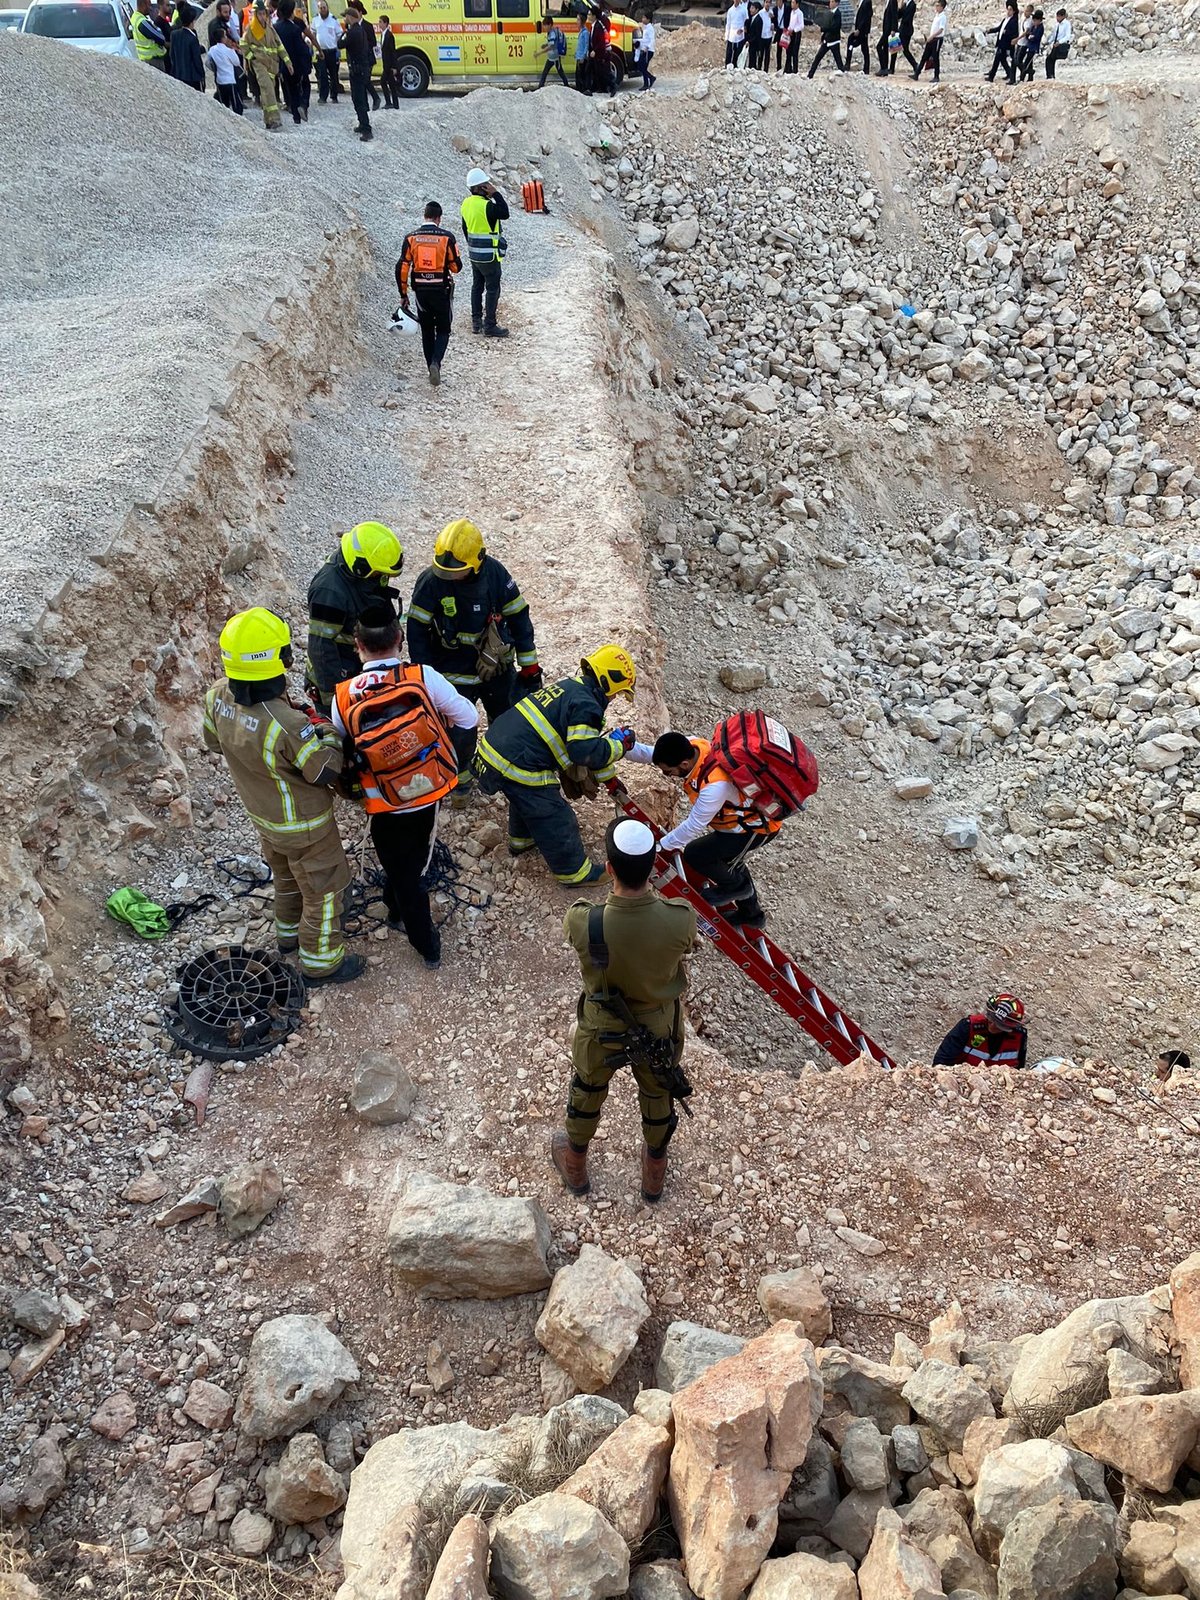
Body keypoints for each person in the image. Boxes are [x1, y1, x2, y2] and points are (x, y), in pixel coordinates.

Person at [203, 610, 363, 986]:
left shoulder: (215, 697)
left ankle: (288, 937)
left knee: (288, 878)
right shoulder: (287, 724)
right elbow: (324, 769)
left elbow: (214, 742)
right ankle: (321, 962)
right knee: (324, 891)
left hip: (264, 819)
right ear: (278, 661)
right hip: (305, 825)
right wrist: (322, 729)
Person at [553, 818, 698, 1202]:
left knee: (587, 1090)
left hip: (602, 1023)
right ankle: (653, 1178)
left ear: (610, 867)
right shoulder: (679, 918)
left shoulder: (584, 920)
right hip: (656, 1024)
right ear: (652, 867)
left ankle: (576, 1168)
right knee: (657, 1094)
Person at [332, 607, 478, 971]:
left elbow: (340, 745)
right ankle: (422, 937)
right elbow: (470, 718)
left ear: (357, 646)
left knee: (399, 866)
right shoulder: (422, 676)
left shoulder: (344, 695)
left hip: (382, 801)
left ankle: (415, 930)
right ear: (400, 640)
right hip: (426, 790)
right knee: (411, 865)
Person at [473, 645, 638, 886]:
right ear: (608, 681)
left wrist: (609, 778)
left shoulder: (572, 688)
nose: (614, 699)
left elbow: (586, 746)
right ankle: (574, 873)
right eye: (617, 693)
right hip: (517, 760)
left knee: (526, 798)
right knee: (555, 814)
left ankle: (522, 840)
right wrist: (619, 748)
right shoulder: (588, 705)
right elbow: (584, 752)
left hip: (497, 749)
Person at [406, 519, 540, 792]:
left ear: (477, 561)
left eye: (457, 571)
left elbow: (519, 621)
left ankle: (501, 777)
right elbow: (417, 632)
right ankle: (460, 783)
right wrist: (424, 677)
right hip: (451, 675)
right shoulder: (431, 582)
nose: (450, 576)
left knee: (505, 724)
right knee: (458, 733)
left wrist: (529, 667)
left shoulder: (496, 576)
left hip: (497, 673)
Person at [629, 731, 779, 928]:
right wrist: (622, 749)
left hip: (755, 830)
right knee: (730, 863)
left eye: (668, 772)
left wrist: (659, 847)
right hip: (737, 825)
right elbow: (652, 754)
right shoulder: (693, 746)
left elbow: (694, 825)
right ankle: (752, 916)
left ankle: (737, 887)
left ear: (683, 765)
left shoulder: (714, 786)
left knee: (696, 853)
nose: (667, 775)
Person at [306, 523, 405, 710]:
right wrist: (335, 700)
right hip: (336, 676)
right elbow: (321, 648)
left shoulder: (363, 575)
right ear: (360, 566)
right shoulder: (329, 591)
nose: (382, 578)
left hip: (359, 671)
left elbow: (379, 600)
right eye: (379, 574)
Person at [396, 201, 463, 386]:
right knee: (443, 329)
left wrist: (403, 294)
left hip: (421, 293)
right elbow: (456, 267)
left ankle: (429, 368)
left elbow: (402, 266)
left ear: (424, 216)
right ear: (439, 218)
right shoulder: (447, 237)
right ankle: (436, 363)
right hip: (441, 291)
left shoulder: (411, 238)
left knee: (427, 330)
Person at [461, 168, 510, 339]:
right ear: (480, 187)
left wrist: (474, 245)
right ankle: (490, 325)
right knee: (492, 289)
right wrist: (496, 194)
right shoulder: (488, 206)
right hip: (490, 256)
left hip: (474, 254)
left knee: (477, 287)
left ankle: (476, 322)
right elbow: (505, 213)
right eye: (486, 185)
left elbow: (465, 229)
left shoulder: (465, 204)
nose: (489, 186)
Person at [933, 994, 1028, 1070]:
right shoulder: (968, 1027)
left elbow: (1018, 1070)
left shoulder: (1019, 1036)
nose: (992, 1026)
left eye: (1000, 1025)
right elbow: (941, 1063)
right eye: (991, 1019)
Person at [242, 0, 288, 130]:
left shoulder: (270, 29)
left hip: (271, 65)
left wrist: (287, 62)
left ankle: (268, 120)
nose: (262, 17)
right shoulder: (251, 29)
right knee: (268, 90)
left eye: (264, 14)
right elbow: (243, 45)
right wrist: (253, 59)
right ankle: (275, 119)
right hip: (259, 64)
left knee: (268, 92)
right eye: (260, 14)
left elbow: (279, 45)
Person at [275, 0, 313, 122]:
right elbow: (301, 49)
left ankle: (296, 117)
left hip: (283, 65)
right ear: (291, 12)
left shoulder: (276, 27)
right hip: (296, 64)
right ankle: (303, 105)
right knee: (305, 85)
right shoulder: (295, 29)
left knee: (292, 90)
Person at [343, 1, 374, 141]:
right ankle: (362, 124)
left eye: (346, 17)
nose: (344, 19)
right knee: (358, 98)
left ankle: (366, 129)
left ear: (351, 17)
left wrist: (344, 32)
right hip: (361, 69)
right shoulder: (359, 30)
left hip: (358, 70)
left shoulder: (353, 32)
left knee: (359, 99)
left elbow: (340, 44)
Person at [313, 0, 343, 101]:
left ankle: (334, 96)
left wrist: (338, 49)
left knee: (334, 75)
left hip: (332, 51)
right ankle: (323, 97)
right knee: (322, 75)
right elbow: (312, 34)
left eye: (324, 7)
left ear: (327, 7)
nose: (322, 10)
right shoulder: (315, 19)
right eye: (320, 8)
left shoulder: (333, 20)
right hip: (321, 52)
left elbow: (339, 35)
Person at [209, 24, 244, 108]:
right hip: (230, 79)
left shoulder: (212, 50)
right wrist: (234, 51)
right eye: (225, 36)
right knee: (236, 103)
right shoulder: (228, 51)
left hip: (220, 80)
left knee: (224, 103)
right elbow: (236, 62)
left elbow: (208, 62)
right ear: (222, 38)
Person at [169, 3, 204, 85]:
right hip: (192, 77)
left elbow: (172, 55)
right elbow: (196, 60)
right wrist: (201, 73)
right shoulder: (192, 38)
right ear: (192, 21)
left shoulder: (174, 34)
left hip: (178, 74)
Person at [985, 0, 1018, 82]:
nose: (1008, 11)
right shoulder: (1005, 19)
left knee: (997, 60)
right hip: (1001, 42)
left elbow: (1013, 32)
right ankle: (1009, 73)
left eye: (1010, 10)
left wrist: (1006, 32)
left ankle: (991, 76)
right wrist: (990, 30)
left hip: (1005, 44)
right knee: (1002, 60)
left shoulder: (1014, 21)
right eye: (1008, 9)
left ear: (1014, 11)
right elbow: (999, 28)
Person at [807, 2, 844, 75]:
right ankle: (810, 74)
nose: (830, 3)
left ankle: (842, 72)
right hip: (827, 40)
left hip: (834, 41)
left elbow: (835, 27)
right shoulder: (830, 13)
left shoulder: (837, 14)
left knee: (837, 58)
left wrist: (823, 29)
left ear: (837, 3)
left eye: (832, 1)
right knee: (818, 57)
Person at [912, 0, 946, 79]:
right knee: (924, 56)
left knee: (935, 57)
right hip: (932, 39)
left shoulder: (943, 17)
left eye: (938, 6)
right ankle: (917, 74)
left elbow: (941, 29)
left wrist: (932, 36)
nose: (936, 7)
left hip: (937, 39)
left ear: (942, 7)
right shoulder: (937, 15)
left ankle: (936, 76)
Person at [131, 0, 168, 69]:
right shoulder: (142, 22)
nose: (150, 8)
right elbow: (160, 38)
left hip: (146, 59)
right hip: (153, 60)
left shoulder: (135, 17)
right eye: (149, 5)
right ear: (143, 5)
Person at [538, 13, 570, 85]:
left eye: (545, 25)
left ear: (549, 25)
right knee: (556, 71)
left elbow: (551, 46)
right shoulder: (552, 32)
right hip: (553, 56)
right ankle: (566, 84)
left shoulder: (552, 33)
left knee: (548, 72)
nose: (544, 27)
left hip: (554, 57)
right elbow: (552, 43)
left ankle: (540, 86)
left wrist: (539, 52)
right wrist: (545, 44)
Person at [378, 14, 401, 106]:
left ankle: (390, 102)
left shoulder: (389, 35)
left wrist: (394, 67)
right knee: (391, 84)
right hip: (386, 65)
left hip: (389, 66)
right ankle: (393, 103)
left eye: (380, 22)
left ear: (385, 23)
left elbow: (392, 52)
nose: (379, 24)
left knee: (383, 82)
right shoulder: (383, 35)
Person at [845, 0, 872, 70]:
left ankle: (866, 68)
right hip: (860, 30)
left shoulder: (867, 2)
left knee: (864, 48)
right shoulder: (862, 1)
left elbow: (866, 17)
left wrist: (859, 29)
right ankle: (847, 63)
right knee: (851, 41)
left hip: (863, 30)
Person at [1015, 8, 1043, 77]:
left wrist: (1030, 36)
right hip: (1029, 46)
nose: (1034, 21)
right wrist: (1030, 36)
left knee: (1026, 63)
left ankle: (1026, 75)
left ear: (1039, 20)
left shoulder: (1040, 28)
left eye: (1035, 20)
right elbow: (1029, 35)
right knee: (1029, 64)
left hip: (1033, 48)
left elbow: (1036, 37)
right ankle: (1030, 77)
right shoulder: (1034, 27)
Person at [1044, 6, 1070, 73]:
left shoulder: (1067, 24)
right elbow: (1054, 35)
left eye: (1059, 16)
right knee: (1050, 59)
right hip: (1055, 44)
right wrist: (1049, 41)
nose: (1057, 18)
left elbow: (1067, 36)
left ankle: (1050, 75)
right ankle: (1050, 75)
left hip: (1061, 45)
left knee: (1050, 59)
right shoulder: (1057, 25)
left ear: (1063, 16)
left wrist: (1059, 42)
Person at [893, 0, 918, 68]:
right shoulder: (905, 4)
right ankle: (891, 68)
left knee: (905, 49)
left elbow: (907, 18)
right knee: (894, 46)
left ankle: (915, 65)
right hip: (902, 29)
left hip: (906, 30)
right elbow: (898, 16)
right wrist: (900, 8)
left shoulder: (912, 5)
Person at [875, 0, 898, 71]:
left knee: (879, 46)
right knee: (886, 48)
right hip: (886, 30)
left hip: (889, 30)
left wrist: (893, 29)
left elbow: (895, 15)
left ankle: (884, 67)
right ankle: (887, 67)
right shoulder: (888, 2)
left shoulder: (893, 1)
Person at [634, 11, 655, 86]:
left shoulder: (650, 29)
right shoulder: (645, 28)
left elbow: (652, 39)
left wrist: (647, 47)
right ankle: (647, 83)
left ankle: (650, 79)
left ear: (648, 19)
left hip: (648, 51)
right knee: (642, 67)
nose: (642, 19)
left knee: (641, 66)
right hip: (644, 50)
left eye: (644, 18)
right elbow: (645, 39)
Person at [781, 0, 803, 69]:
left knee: (795, 52)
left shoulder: (799, 13)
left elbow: (801, 25)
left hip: (796, 34)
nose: (791, 4)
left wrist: (794, 30)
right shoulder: (792, 12)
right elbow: (791, 23)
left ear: (797, 4)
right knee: (788, 51)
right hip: (790, 33)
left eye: (793, 3)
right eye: (791, 2)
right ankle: (788, 68)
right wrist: (788, 30)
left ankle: (795, 69)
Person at [724, 0, 747, 64]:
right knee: (729, 54)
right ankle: (727, 68)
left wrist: (742, 29)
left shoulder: (743, 10)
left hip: (740, 36)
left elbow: (746, 23)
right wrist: (726, 36)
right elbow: (728, 24)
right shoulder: (730, 10)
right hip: (731, 36)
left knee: (738, 55)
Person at [574, 11, 592, 91]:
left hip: (582, 58)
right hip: (578, 56)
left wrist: (584, 56)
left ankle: (583, 90)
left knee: (581, 75)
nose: (576, 22)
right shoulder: (581, 32)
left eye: (578, 20)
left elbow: (586, 45)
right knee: (577, 75)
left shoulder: (585, 32)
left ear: (582, 21)